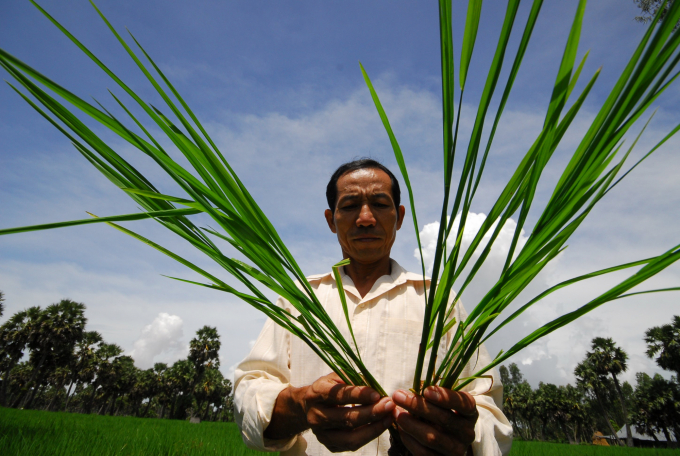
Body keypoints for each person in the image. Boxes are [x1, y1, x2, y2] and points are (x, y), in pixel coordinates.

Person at [234, 159, 512, 455]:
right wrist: (301, 405)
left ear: (399, 217)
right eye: (350, 205)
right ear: (331, 220)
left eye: (380, 204)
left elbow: (488, 409)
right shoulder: (300, 299)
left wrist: (460, 436)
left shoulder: (438, 301)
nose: (365, 218)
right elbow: (249, 392)